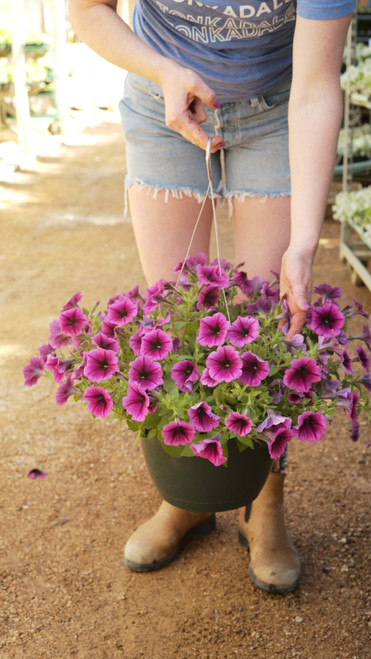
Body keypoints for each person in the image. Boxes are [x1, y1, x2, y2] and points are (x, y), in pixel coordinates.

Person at [68, 0, 355, 594]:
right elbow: (88, 9)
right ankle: (189, 497)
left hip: (280, 107)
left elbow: (318, 85)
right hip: (160, 99)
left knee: (268, 325)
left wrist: (304, 243)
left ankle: (264, 507)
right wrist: (164, 71)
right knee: (177, 317)